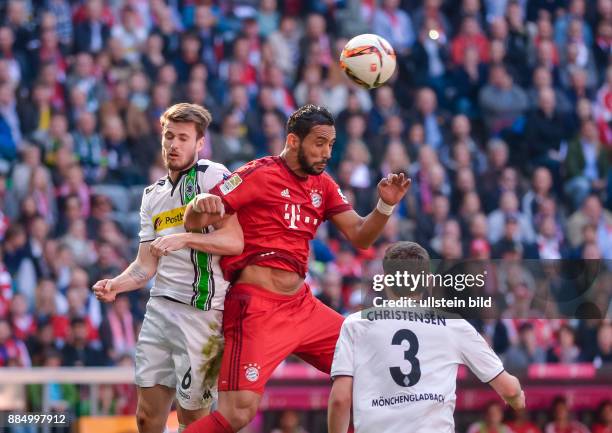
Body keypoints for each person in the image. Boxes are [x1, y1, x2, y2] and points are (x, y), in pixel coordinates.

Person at [183, 104, 411, 433]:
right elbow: (197, 218)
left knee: (370, 365)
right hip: (256, 306)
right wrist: (197, 207)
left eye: (331, 145)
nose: (326, 153)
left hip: (302, 306)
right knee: (237, 414)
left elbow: (361, 236)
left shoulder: (324, 186)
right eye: (319, 143)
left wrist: (385, 205)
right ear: (293, 140)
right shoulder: (258, 174)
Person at [92, 103, 244, 433]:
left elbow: (235, 242)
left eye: (183, 138)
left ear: (199, 144)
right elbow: (144, 265)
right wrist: (115, 284)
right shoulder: (152, 195)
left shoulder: (212, 176)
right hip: (159, 310)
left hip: (201, 314)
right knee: (147, 418)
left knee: (193, 420)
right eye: (169, 136)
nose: (173, 145)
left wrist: (184, 238)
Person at [327, 241, 525, 433]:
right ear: (428, 282)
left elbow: (340, 400)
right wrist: (517, 398)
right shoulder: (453, 325)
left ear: (385, 280)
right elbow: (509, 389)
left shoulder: (355, 324)